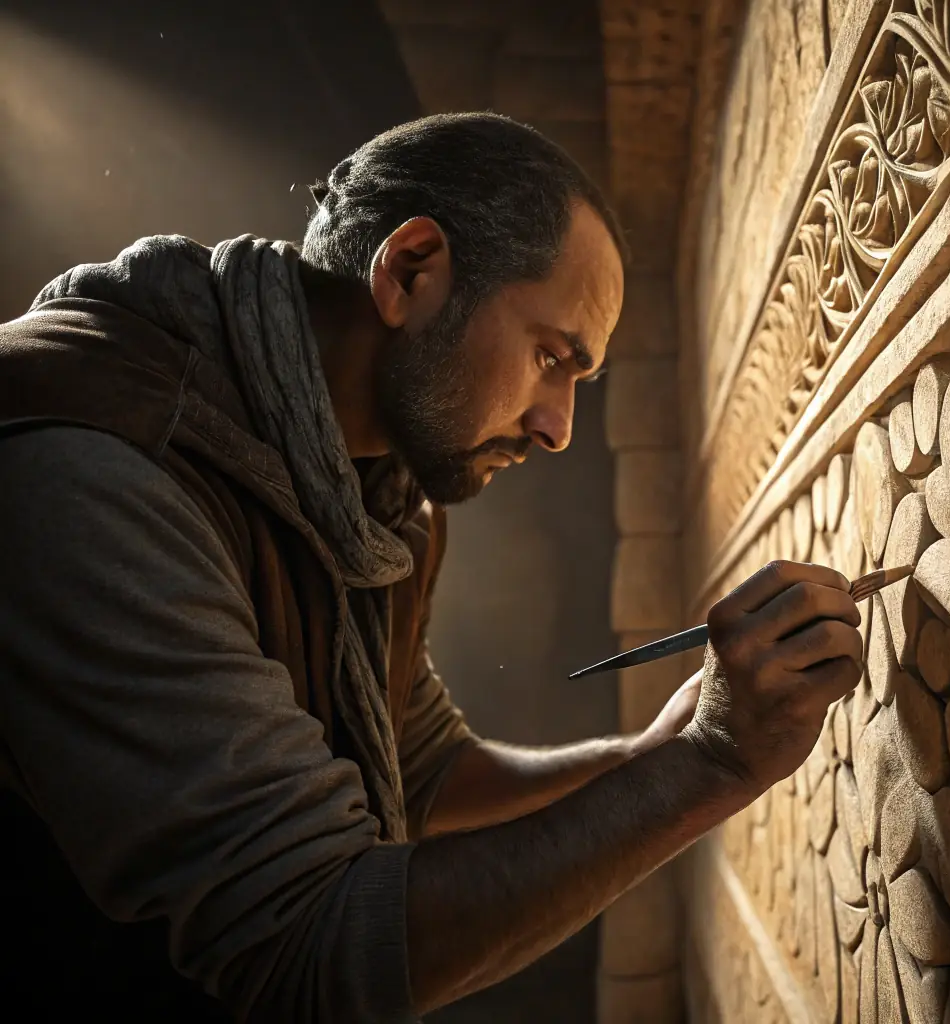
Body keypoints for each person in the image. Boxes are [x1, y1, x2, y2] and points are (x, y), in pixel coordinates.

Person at [0, 113, 863, 1021]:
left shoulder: (381, 493)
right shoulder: (96, 469)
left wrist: (642, 755)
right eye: (548, 357)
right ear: (412, 269)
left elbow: (425, 771)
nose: (557, 428)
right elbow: (310, 947)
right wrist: (711, 765)